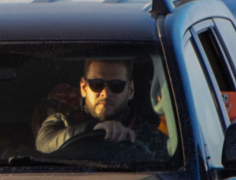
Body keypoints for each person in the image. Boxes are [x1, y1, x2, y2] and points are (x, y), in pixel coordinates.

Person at [32, 57, 165, 158]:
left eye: (116, 86)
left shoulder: (151, 138)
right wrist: (92, 128)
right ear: (83, 88)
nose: (105, 93)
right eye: (97, 84)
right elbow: (44, 144)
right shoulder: (62, 122)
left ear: (130, 90)